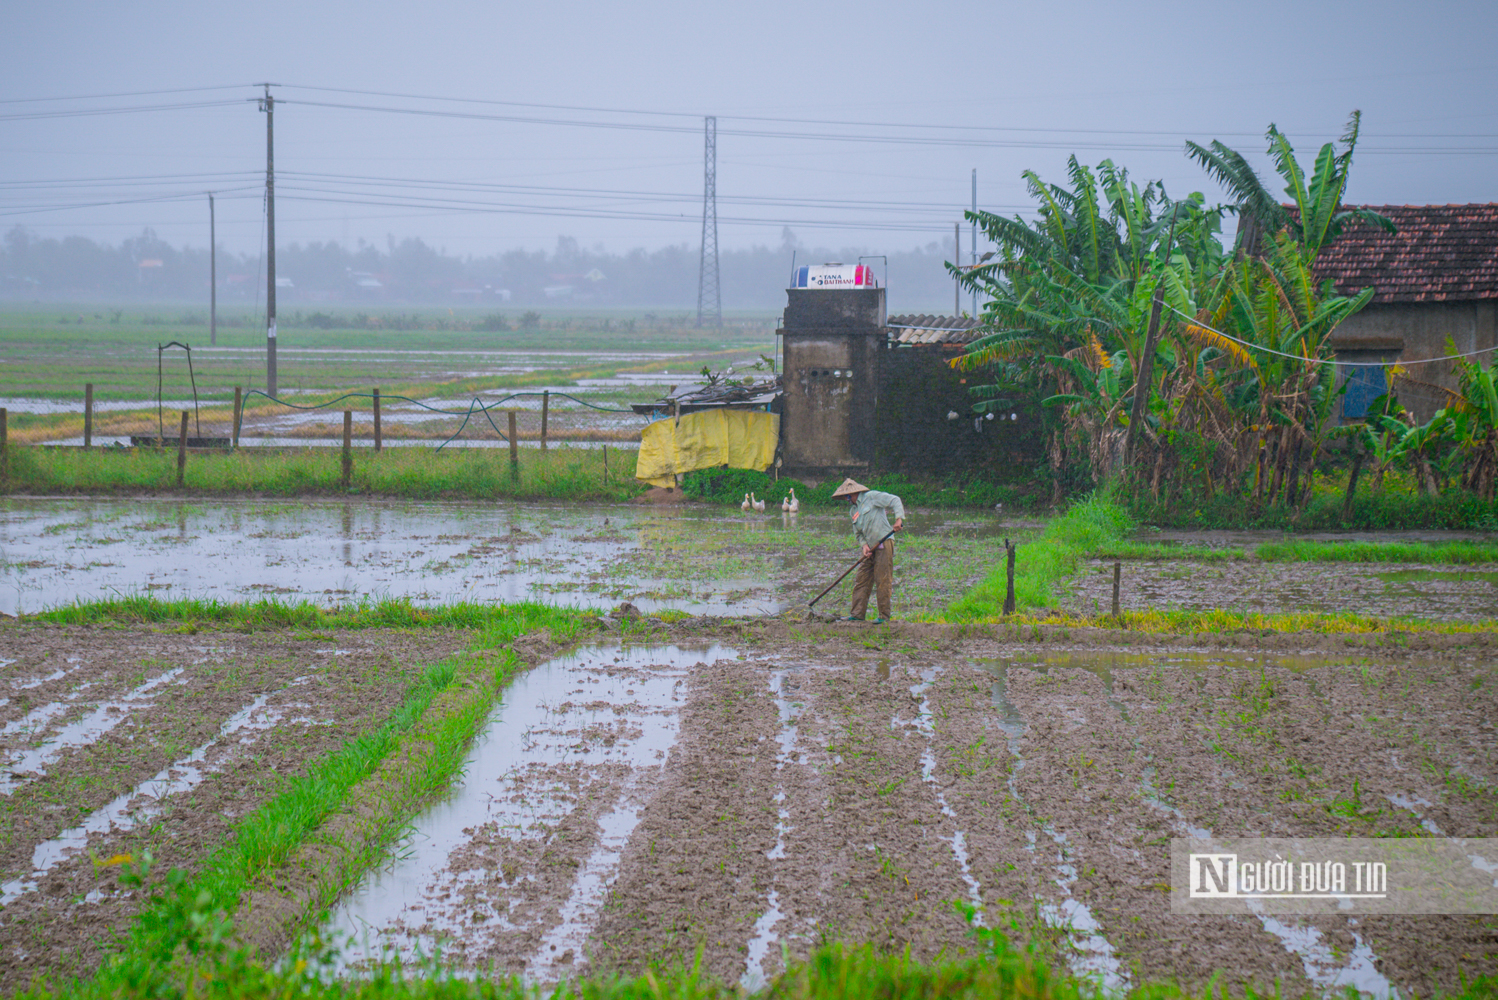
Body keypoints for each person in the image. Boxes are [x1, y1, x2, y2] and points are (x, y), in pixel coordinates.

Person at [830, 478, 904, 623]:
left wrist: (898, 519)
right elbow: (858, 534)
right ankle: (857, 614)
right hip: (870, 548)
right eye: (844, 497)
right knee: (861, 579)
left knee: (882, 579)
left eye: (847, 496)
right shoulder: (853, 511)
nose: (846, 499)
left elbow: (895, 500)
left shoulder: (872, 497)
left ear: (853, 493)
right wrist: (864, 546)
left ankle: (884, 616)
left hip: (883, 542)